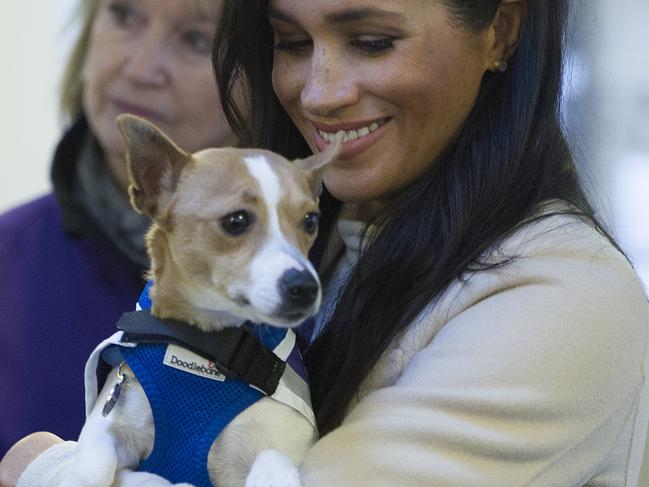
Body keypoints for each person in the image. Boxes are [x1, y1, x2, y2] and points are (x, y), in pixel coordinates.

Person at [3, 0, 649, 486]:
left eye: (371, 41)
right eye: (288, 42)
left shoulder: (561, 296)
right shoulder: (341, 244)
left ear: (500, 31)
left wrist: (42, 465)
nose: (318, 93)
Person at [0, 0, 232, 456]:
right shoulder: (9, 259)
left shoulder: (320, 275)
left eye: (196, 39)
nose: (141, 68)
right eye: (124, 15)